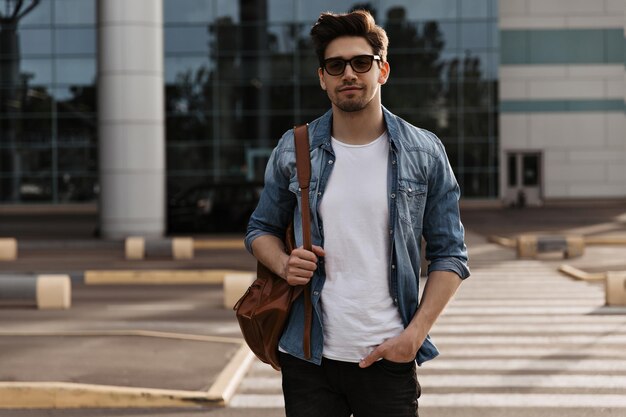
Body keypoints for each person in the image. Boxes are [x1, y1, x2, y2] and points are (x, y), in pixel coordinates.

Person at [244, 9, 470, 417]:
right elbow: (260, 228)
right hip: (309, 359)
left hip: (389, 356)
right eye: (336, 65)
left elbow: (450, 254)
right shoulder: (295, 149)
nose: (349, 73)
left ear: (382, 71)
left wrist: (413, 337)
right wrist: (281, 262)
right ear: (323, 78)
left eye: (361, 62)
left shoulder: (424, 152)